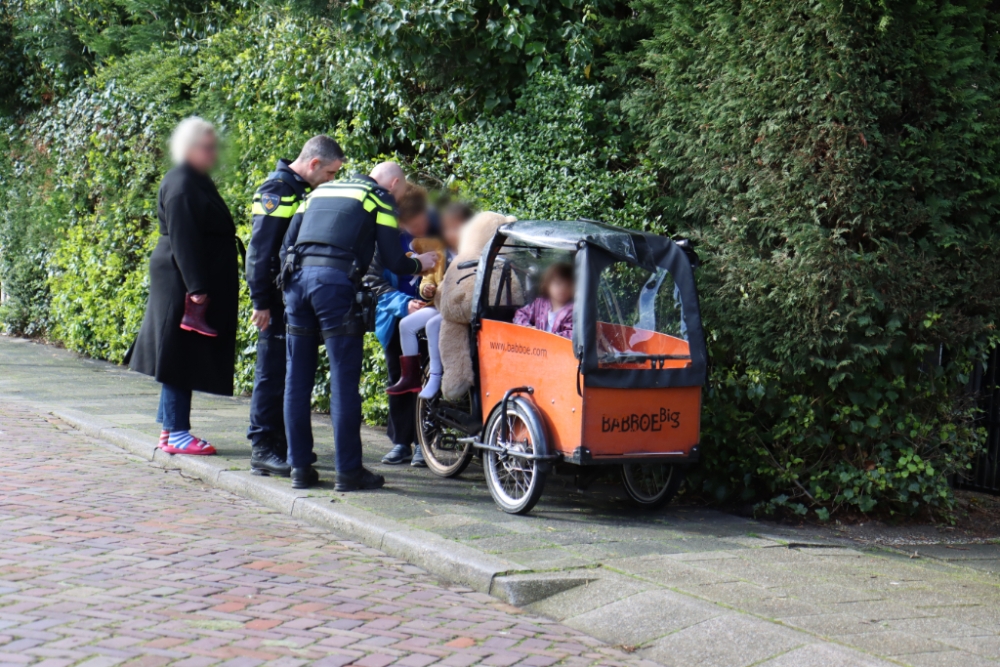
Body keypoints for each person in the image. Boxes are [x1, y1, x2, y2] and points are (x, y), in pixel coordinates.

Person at [280, 162, 437, 490]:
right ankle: (348, 471)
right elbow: (393, 259)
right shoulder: (377, 197)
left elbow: (287, 245)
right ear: (394, 184)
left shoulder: (319, 192)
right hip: (335, 288)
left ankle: (299, 469)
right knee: (343, 380)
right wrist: (418, 264)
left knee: (296, 379)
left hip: (295, 285)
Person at [130, 116, 239, 455]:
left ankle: (169, 429)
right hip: (183, 281)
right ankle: (177, 431)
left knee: (178, 353)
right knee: (179, 354)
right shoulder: (183, 183)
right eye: (208, 147)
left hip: (185, 278)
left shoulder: (192, 180)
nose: (213, 153)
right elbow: (185, 238)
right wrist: (198, 289)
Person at [245, 136, 345, 478]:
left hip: (292, 297)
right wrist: (260, 300)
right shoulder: (278, 190)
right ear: (314, 164)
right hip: (274, 300)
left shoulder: (301, 190)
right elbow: (260, 250)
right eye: (331, 173)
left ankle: (286, 445)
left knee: (288, 374)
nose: (332, 180)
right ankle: (262, 446)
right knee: (271, 372)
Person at [366, 185, 435, 467]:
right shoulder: (386, 240)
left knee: (429, 378)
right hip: (395, 319)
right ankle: (400, 443)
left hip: (432, 317)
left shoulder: (438, 237)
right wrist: (402, 304)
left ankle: (424, 443)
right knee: (400, 377)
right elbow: (371, 279)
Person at [386, 202, 473, 402]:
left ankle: (435, 376)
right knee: (406, 325)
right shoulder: (440, 252)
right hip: (439, 305)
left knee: (434, 325)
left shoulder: (471, 253)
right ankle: (411, 376)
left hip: (459, 309)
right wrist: (427, 290)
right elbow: (428, 279)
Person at [513, 262, 575, 338]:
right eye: (558, 284)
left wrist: (549, 338)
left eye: (568, 285)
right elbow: (520, 314)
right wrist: (527, 327)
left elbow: (573, 334)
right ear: (547, 285)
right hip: (537, 348)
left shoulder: (573, 310)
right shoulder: (540, 304)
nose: (563, 289)